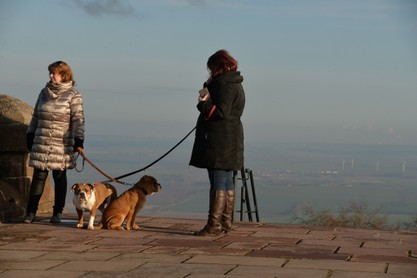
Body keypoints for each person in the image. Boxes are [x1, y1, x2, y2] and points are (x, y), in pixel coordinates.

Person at [190, 50, 245, 236]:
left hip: (219, 140)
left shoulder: (225, 85)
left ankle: (214, 225)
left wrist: (203, 103)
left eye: (211, 68)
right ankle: (225, 222)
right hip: (230, 139)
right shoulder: (232, 83)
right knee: (228, 181)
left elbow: (219, 112)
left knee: (218, 182)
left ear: (217, 66)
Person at [24, 61, 85, 224]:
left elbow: (78, 120)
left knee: (59, 176)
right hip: (41, 140)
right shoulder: (43, 93)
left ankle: (57, 212)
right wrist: (30, 134)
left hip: (62, 144)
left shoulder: (73, 95)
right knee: (39, 176)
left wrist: (79, 140)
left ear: (64, 75)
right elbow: (36, 116)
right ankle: (30, 212)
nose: (51, 76)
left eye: (54, 73)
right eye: (50, 73)